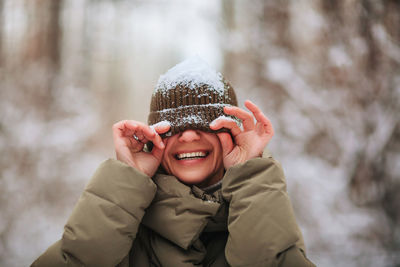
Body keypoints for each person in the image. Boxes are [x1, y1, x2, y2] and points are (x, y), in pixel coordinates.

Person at [32, 57, 315, 267]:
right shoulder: (122, 236)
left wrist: (251, 175)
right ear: (155, 137)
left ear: (230, 133)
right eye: (174, 127)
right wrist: (125, 181)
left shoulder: (258, 212)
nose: (189, 135)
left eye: (205, 124)